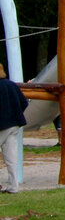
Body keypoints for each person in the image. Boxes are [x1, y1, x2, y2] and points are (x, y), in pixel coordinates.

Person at [0, 66, 26, 195]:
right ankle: (13, 186)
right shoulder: (11, 85)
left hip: (2, 125)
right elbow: (24, 103)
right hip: (15, 124)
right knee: (11, 157)